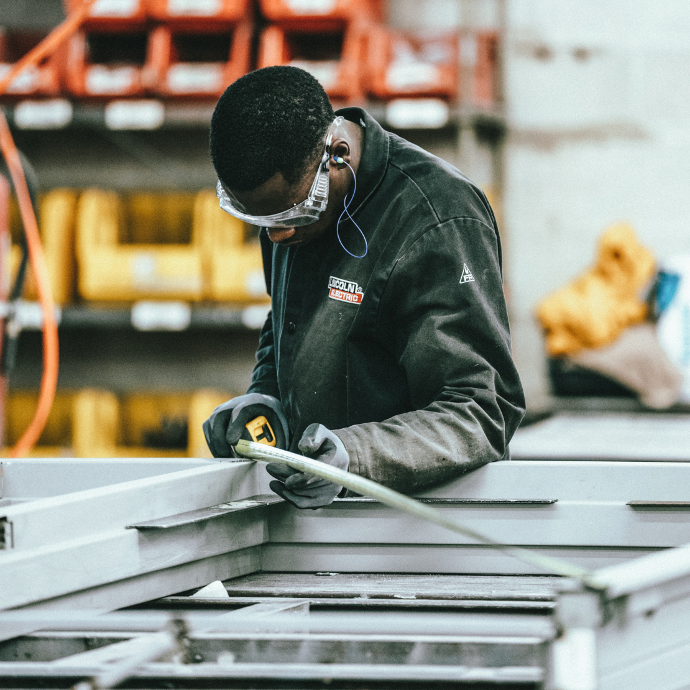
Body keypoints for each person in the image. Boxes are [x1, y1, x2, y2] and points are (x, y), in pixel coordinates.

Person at [203, 65, 525, 509]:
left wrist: (357, 457)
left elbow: (479, 413)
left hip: (419, 527)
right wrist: (267, 399)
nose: (277, 237)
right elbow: (288, 321)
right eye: (265, 223)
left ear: (336, 154)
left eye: (292, 217)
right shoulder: (289, 205)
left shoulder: (437, 219)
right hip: (322, 518)